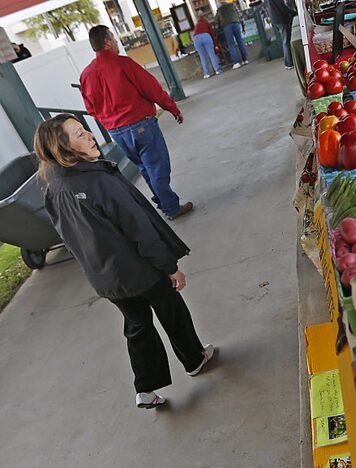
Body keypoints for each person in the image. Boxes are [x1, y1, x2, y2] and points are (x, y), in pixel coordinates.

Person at [34, 114, 215, 409]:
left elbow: (69, 237)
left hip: (107, 277)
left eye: (86, 130)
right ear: (62, 149)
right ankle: (195, 360)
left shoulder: (53, 187)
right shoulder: (98, 180)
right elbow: (139, 228)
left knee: (137, 326)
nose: (91, 136)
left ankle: (145, 390)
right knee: (172, 312)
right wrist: (169, 267)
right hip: (141, 270)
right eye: (80, 134)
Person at [80, 25, 193, 221]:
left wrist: (110, 121)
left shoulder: (86, 75)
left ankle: (162, 202)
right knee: (157, 167)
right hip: (140, 126)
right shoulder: (123, 64)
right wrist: (173, 108)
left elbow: (91, 109)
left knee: (144, 167)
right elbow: (153, 90)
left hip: (116, 132)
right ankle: (171, 207)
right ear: (106, 42)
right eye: (113, 38)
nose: (116, 42)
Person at [216, 0, 248, 70]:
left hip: (227, 26)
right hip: (236, 23)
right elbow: (240, 15)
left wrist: (219, 26)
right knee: (240, 42)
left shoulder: (219, 10)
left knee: (231, 44)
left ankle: (236, 63)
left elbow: (217, 21)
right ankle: (245, 59)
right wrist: (243, 26)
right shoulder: (233, 5)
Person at [266, 0, 297, 70]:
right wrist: (294, 12)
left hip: (276, 19)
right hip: (281, 19)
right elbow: (282, 8)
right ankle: (289, 63)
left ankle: (288, 62)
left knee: (285, 40)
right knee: (286, 41)